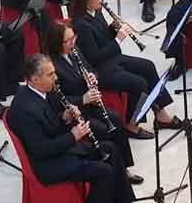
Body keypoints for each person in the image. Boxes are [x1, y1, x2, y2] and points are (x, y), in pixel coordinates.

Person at [7, 54, 152, 203]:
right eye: (50, 75)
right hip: (49, 165)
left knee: (110, 149)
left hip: (60, 149)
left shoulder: (43, 92)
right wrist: (73, 136)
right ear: (35, 79)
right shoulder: (25, 109)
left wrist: (66, 118)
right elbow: (41, 149)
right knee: (103, 170)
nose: (56, 78)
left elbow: (50, 125)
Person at [68, 0, 177, 138]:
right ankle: (130, 124)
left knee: (148, 66)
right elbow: (94, 57)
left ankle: (160, 114)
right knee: (138, 83)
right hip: (100, 70)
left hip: (112, 59)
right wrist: (118, 39)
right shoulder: (81, 24)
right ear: (86, 0)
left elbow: (103, 38)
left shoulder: (96, 11)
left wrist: (112, 29)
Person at [42, 21, 146, 180]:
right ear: (57, 43)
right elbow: (55, 101)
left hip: (90, 104)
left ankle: (123, 168)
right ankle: (110, 168)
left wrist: (92, 77)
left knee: (116, 120)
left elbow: (91, 68)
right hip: (74, 114)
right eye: (68, 40)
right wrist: (82, 99)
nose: (73, 42)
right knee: (104, 131)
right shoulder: (52, 66)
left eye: (73, 38)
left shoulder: (74, 51)